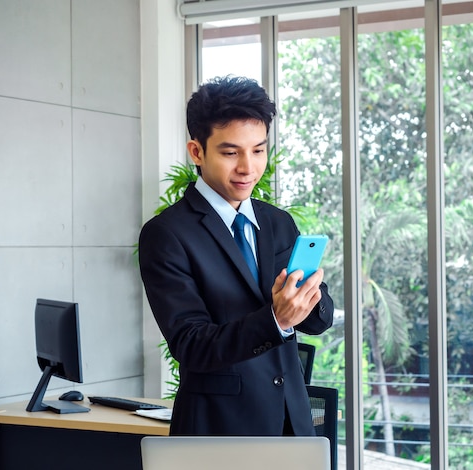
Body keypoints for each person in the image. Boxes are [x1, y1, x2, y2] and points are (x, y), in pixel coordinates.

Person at [138, 75, 334, 436]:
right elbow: (192, 345)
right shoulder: (166, 234)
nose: (248, 167)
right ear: (197, 152)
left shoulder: (277, 222)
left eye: (258, 150)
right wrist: (275, 319)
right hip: (219, 429)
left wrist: (311, 298)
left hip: (293, 425)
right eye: (231, 152)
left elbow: (317, 323)